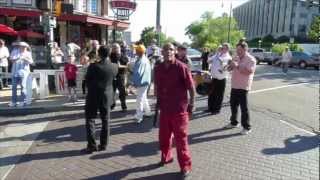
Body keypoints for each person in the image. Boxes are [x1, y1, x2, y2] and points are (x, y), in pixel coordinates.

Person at [154, 43, 195, 179]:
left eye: (171, 49)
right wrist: (158, 101)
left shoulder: (181, 67)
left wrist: (192, 104)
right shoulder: (158, 68)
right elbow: (158, 87)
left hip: (179, 110)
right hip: (165, 109)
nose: (168, 52)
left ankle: (185, 166)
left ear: (175, 51)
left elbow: (191, 87)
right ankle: (166, 156)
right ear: (162, 52)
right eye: (165, 49)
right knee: (164, 137)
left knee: (180, 139)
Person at [84, 45, 118, 154]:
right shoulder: (114, 66)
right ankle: (104, 144)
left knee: (90, 119)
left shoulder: (93, 66)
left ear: (99, 54)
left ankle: (92, 145)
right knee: (105, 120)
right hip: (106, 96)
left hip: (93, 95)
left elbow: (87, 80)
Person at [225, 41, 256, 135]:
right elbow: (230, 69)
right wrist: (229, 65)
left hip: (243, 86)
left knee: (244, 108)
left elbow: (248, 72)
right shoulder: (236, 57)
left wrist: (237, 66)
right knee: (233, 106)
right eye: (237, 49)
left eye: (240, 50)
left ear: (245, 49)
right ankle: (234, 122)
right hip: (234, 85)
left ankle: (247, 127)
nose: (238, 51)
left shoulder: (251, 59)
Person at [206, 43, 232, 114]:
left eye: (223, 48)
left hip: (221, 79)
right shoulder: (217, 54)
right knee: (211, 93)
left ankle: (217, 109)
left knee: (219, 95)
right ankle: (210, 108)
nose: (221, 49)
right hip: (213, 77)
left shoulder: (228, 58)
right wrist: (211, 57)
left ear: (227, 49)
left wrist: (222, 63)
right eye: (221, 48)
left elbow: (227, 68)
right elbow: (208, 61)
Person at [131, 44, 152, 123]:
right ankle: (148, 112)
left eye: (136, 50)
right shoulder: (145, 59)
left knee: (139, 99)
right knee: (143, 97)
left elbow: (138, 73)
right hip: (146, 82)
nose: (135, 51)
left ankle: (139, 116)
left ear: (139, 52)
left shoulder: (140, 61)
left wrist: (133, 82)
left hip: (141, 82)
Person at [9, 42, 33, 107]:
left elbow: (31, 62)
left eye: (23, 47)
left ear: (26, 47)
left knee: (23, 87)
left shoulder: (28, 53)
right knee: (14, 87)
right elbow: (11, 59)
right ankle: (14, 101)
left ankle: (22, 101)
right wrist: (17, 58)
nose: (22, 48)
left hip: (24, 72)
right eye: (20, 46)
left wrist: (25, 59)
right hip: (15, 71)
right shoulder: (14, 52)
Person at [110, 43, 128, 111]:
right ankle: (112, 105)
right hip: (112, 76)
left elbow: (127, 67)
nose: (114, 49)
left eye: (116, 48)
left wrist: (120, 66)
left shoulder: (123, 56)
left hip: (121, 76)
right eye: (113, 48)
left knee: (122, 92)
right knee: (112, 92)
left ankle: (124, 106)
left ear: (119, 48)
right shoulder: (110, 56)